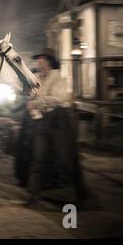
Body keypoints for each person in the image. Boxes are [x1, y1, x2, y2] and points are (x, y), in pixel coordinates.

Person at [23, 48, 87, 207]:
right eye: (38, 59)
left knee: (69, 158)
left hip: (60, 120)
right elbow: (31, 99)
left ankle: (83, 197)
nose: (39, 61)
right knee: (38, 158)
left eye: (42, 59)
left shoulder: (57, 77)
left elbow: (59, 99)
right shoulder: (36, 78)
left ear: (49, 61)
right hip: (43, 121)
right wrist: (34, 111)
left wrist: (37, 102)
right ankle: (34, 197)